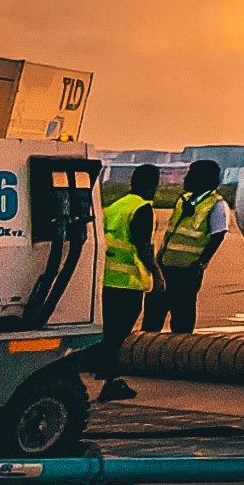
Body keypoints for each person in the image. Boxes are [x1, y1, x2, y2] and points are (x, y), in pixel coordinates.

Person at [93, 166, 159, 398]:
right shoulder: (142, 208)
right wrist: (157, 275)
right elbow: (143, 247)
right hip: (127, 283)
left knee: (108, 331)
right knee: (118, 334)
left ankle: (102, 372)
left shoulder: (115, 206)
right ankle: (111, 381)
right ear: (154, 186)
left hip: (107, 280)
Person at [150, 158, 232, 336]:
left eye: (191, 175)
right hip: (166, 265)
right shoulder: (183, 200)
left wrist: (202, 263)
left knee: (182, 318)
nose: (186, 179)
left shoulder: (217, 204)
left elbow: (218, 235)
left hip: (187, 270)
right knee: (154, 314)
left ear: (204, 180)